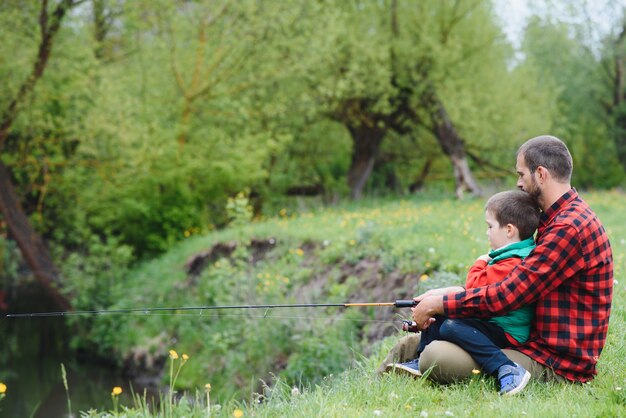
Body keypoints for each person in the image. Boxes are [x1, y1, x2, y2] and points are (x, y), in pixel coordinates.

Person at [378, 135, 613, 391]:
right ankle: (373, 395)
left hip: (555, 363)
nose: (518, 183)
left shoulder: (568, 228)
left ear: (541, 174)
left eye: (522, 174)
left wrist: (442, 304)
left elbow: (509, 295)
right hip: (528, 343)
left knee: (436, 356)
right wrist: (451, 297)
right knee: (412, 344)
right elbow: (511, 281)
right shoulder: (555, 219)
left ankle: (505, 371)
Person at [386, 190, 540, 395]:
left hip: (508, 332)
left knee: (452, 327)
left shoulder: (513, 261)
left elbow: (474, 286)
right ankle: (421, 359)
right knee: (440, 313)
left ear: (509, 230)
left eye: (490, 226)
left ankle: (506, 367)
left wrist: (480, 260)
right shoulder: (511, 255)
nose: (487, 232)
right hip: (494, 321)